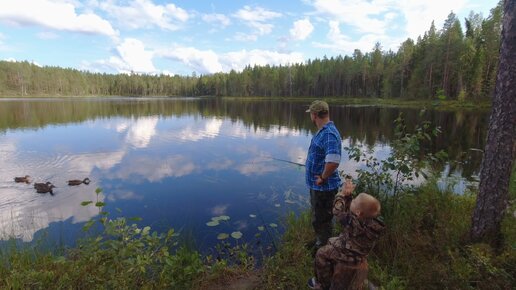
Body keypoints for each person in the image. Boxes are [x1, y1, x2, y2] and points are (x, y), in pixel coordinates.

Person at [308, 179, 386, 290]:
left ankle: (322, 284)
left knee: (321, 254)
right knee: (332, 241)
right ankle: (362, 283)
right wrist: (349, 197)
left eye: (354, 201)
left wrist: (341, 195)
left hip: (346, 255)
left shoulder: (352, 222)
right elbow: (355, 213)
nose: (352, 200)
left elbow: (337, 211)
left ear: (359, 212)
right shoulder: (373, 224)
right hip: (358, 255)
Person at [305, 100, 342, 248]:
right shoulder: (324, 131)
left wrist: (322, 177)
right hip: (318, 186)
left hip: (324, 187)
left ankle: (324, 250)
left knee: (322, 219)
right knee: (318, 217)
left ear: (314, 115)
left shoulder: (328, 134)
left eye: (311, 114)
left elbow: (333, 161)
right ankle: (320, 242)